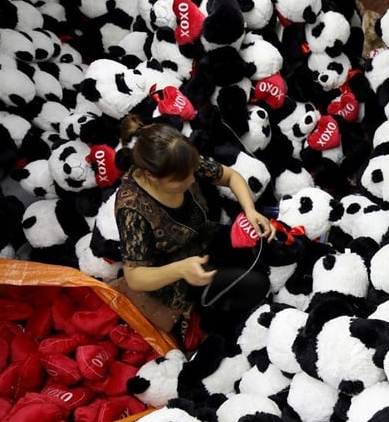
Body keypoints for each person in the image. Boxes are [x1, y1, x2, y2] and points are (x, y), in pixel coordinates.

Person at [113, 114, 274, 343]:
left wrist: (250, 210)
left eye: (191, 174)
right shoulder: (132, 208)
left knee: (264, 246)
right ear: (151, 176)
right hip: (175, 274)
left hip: (205, 239)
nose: (191, 181)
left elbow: (230, 176)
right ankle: (202, 318)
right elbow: (135, 277)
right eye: (181, 181)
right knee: (257, 285)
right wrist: (180, 269)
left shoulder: (183, 162)